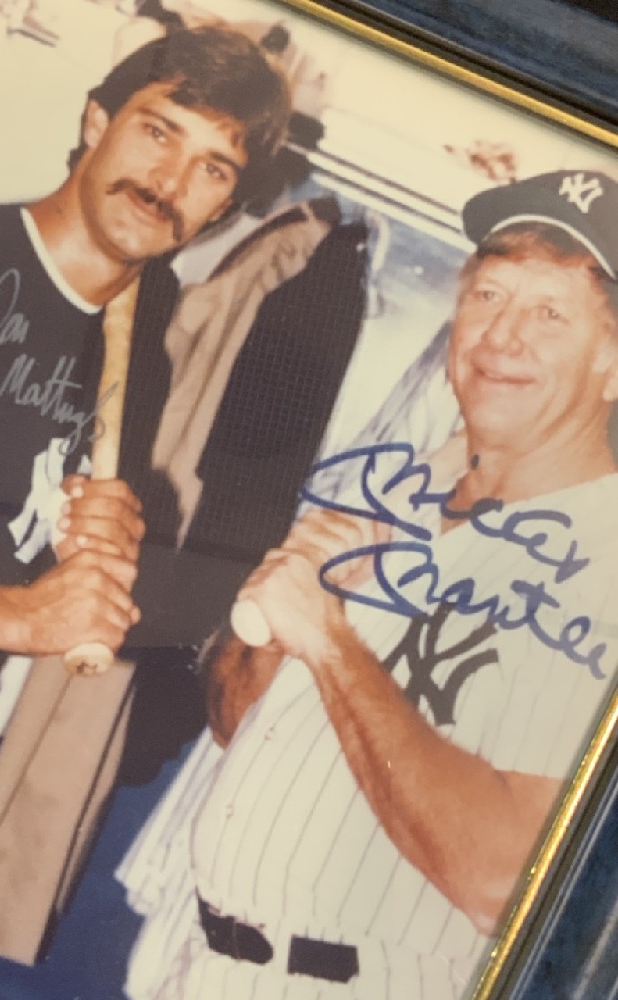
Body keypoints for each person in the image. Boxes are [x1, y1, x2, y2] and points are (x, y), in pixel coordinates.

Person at [119, 169, 618, 999]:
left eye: (551, 314)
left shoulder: (601, 567)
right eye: (489, 294)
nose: (501, 336)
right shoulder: (395, 488)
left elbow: (504, 882)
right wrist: (274, 624)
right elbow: (233, 717)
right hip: (199, 963)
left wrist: (328, 640)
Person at [0, 23, 290, 934]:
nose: (169, 181)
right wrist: (21, 616)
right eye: (158, 130)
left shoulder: (137, 350)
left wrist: (74, 543)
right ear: (96, 120)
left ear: (225, 207)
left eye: (213, 168)